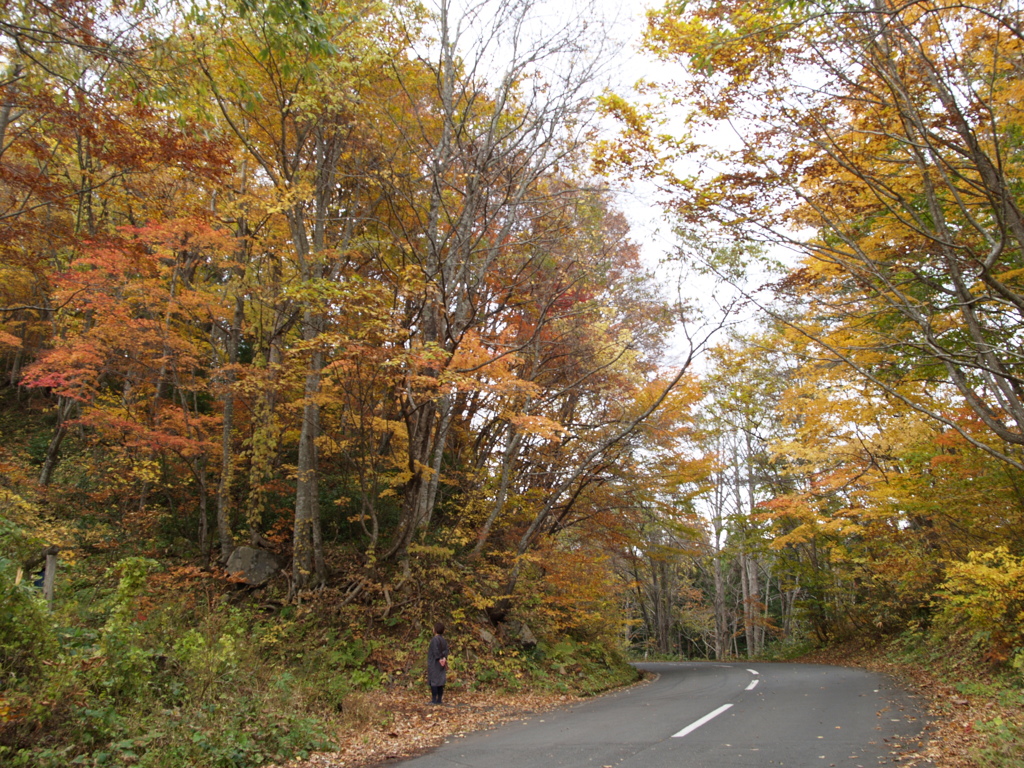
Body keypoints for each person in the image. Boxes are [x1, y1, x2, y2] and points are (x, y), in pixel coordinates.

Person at [427, 621, 450, 705]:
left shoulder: (434, 640)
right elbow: (446, 650)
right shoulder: (443, 640)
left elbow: (435, 650)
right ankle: (439, 700)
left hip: (435, 663)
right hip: (442, 663)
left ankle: (434, 700)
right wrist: (444, 658)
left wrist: (439, 658)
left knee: (434, 681)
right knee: (440, 681)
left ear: (435, 630)